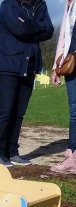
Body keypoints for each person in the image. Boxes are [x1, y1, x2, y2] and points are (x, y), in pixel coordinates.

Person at [0, 0, 53, 167]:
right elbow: (20, 29)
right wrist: (36, 28)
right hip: (9, 66)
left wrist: (30, 26)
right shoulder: (8, 5)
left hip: (29, 66)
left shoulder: (41, 4)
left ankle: (12, 152)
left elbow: (49, 30)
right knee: (5, 111)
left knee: (19, 113)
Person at [51, 0, 76, 173]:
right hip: (71, 63)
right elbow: (63, 38)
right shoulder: (69, 5)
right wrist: (55, 68)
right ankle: (72, 157)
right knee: (74, 111)